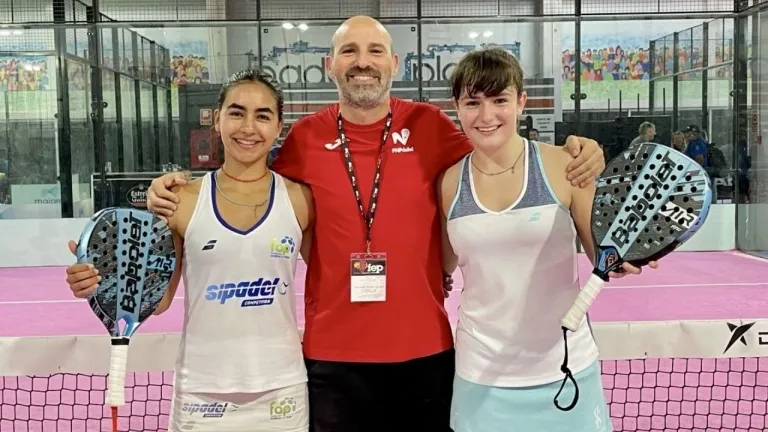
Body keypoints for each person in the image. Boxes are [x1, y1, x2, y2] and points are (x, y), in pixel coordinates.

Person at [143, 15, 607, 432]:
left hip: (425, 353)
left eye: (375, 51)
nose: (362, 62)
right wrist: (176, 189)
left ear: (394, 63)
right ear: (330, 65)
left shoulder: (431, 126)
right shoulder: (304, 138)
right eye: (349, 51)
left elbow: (497, 147)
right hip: (333, 360)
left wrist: (579, 152)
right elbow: (247, 176)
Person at [64, 70, 314, 432]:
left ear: (278, 127)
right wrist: (98, 280)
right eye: (236, 112)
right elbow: (158, 299)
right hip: (201, 391)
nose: (248, 127)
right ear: (217, 120)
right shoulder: (181, 200)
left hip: (282, 390)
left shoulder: (301, 200)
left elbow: (331, 283)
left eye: (262, 116)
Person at [439, 48, 657, 432]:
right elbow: (442, 267)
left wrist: (632, 254)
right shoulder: (448, 183)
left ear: (521, 102)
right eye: (472, 102)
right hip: (480, 379)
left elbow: (604, 252)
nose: (486, 115)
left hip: (566, 371)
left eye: (499, 100)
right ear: (456, 107)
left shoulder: (565, 165)